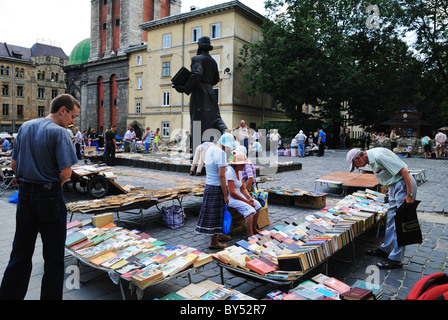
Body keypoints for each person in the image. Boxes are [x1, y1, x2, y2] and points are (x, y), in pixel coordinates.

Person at [0, 94, 80, 300]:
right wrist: (54, 186)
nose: (73, 121)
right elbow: (66, 173)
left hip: (26, 196)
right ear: (63, 110)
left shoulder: (25, 127)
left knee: (20, 254)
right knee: (53, 259)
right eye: (73, 116)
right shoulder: (60, 133)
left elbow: (13, 166)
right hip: (49, 197)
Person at [346, 147, 418, 269]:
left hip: (403, 184)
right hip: (395, 185)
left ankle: (396, 259)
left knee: (400, 224)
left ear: (358, 158)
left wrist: (410, 194)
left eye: (355, 165)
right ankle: (385, 249)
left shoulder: (378, 156)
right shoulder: (372, 158)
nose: (357, 168)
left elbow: (404, 172)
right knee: (390, 220)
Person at [173, 36, 227, 148]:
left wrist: (184, 88)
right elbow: (216, 79)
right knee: (214, 118)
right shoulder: (213, 62)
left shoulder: (197, 59)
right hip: (211, 92)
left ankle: (196, 150)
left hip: (199, 93)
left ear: (199, 46)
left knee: (197, 122)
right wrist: (208, 84)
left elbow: (197, 74)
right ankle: (224, 134)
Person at [195, 132, 237, 249]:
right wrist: (225, 194)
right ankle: (214, 242)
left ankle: (219, 235)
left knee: (215, 213)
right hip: (217, 187)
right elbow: (221, 176)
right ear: (226, 144)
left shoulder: (210, 150)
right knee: (216, 214)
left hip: (209, 185)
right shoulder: (222, 153)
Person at [226, 153, 262, 238]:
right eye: (242, 164)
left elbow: (242, 188)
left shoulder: (239, 172)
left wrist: (250, 198)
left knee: (257, 205)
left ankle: (254, 228)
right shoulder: (229, 172)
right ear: (236, 164)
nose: (244, 166)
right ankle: (250, 234)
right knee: (250, 211)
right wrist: (247, 201)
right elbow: (232, 193)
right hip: (232, 198)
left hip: (240, 195)